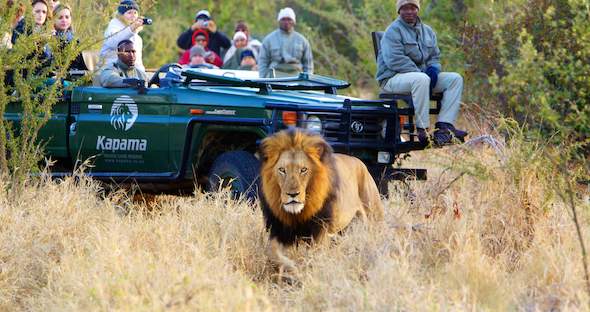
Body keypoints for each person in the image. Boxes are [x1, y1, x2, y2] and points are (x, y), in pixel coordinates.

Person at [376, 0, 467, 145]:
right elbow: (394, 60)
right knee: (421, 79)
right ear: (399, 11)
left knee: (455, 79)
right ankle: (423, 130)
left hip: (420, 78)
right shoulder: (392, 31)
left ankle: (444, 127)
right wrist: (423, 73)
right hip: (392, 79)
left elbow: (434, 57)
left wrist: (434, 70)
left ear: (418, 9)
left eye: (413, 8)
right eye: (405, 8)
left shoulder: (428, 31)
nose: (409, 11)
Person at [258, 7, 313, 78]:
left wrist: (307, 81)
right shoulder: (269, 40)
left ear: (294, 21)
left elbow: (308, 63)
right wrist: (263, 80)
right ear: (279, 21)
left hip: (297, 77)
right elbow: (263, 61)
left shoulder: (302, 40)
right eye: (283, 19)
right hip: (274, 77)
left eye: (289, 19)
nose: (286, 22)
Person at [99, 0, 145, 71]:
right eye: (129, 12)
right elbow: (115, 42)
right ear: (121, 16)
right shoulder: (113, 28)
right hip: (110, 71)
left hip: (128, 74)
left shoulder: (138, 39)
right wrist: (132, 28)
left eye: (135, 12)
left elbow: (138, 63)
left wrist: (143, 77)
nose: (133, 15)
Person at [51, 4, 87, 70]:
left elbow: (81, 65)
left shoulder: (75, 40)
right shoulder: (50, 39)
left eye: (67, 17)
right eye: (60, 17)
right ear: (54, 20)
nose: (64, 20)